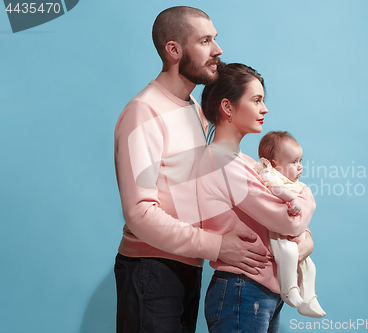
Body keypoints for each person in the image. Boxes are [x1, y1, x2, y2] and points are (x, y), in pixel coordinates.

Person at [113, 7, 268, 333]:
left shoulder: (193, 108)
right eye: (205, 40)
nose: (218, 50)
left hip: (187, 265)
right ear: (174, 50)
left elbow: (202, 189)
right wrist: (217, 246)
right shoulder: (143, 112)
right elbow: (140, 214)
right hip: (151, 269)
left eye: (216, 39)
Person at [197, 63, 316, 332]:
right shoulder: (223, 163)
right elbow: (288, 221)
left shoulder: (247, 163)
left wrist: (305, 237)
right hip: (243, 290)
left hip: (258, 290)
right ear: (227, 107)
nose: (265, 109)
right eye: (256, 100)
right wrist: (308, 198)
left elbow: (292, 222)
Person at [255, 131, 326, 318]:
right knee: (289, 253)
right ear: (273, 164)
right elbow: (274, 188)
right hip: (277, 234)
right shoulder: (269, 174)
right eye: (293, 162)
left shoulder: (293, 181)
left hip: (294, 231)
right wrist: (292, 198)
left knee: (310, 268)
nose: (300, 166)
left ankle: (309, 299)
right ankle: (288, 288)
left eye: (300, 161)